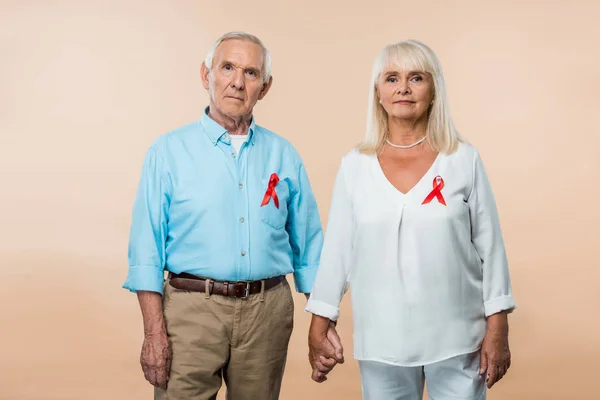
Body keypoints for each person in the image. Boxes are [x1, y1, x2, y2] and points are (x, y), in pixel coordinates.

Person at [123, 31, 336, 400]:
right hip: (190, 310)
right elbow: (146, 251)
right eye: (227, 68)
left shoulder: (284, 155)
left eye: (251, 73)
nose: (238, 82)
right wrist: (153, 332)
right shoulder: (168, 152)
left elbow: (310, 248)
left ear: (264, 87)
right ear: (206, 76)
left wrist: (323, 324)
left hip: (266, 313)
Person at [305, 39, 517, 399]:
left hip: (458, 337)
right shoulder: (355, 166)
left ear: (434, 89)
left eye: (416, 77)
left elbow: (491, 248)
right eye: (391, 78)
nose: (403, 87)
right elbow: (338, 251)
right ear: (378, 92)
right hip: (382, 340)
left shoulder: (462, 160)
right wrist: (320, 321)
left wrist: (498, 326)